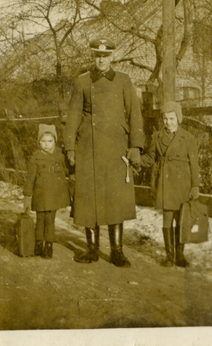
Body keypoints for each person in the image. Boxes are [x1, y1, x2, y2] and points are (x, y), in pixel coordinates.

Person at [64, 37, 144, 268]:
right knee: (90, 198)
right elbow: (73, 117)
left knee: (115, 199)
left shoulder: (123, 81)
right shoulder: (82, 82)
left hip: (116, 148)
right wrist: (70, 146)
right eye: (98, 56)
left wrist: (135, 146)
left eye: (106, 56)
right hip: (88, 148)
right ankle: (91, 249)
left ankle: (117, 251)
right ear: (93, 57)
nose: (101, 60)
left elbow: (135, 115)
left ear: (112, 57)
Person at [141, 101, 200, 267]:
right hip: (165, 182)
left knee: (182, 221)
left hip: (183, 184)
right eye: (165, 119)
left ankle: (180, 256)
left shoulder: (188, 138)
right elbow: (151, 157)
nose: (168, 122)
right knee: (167, 220)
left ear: (178, 118)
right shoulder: (157, 137)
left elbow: (194, 164)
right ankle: (169, 256)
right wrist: (137, 160)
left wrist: (195, 186)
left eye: (172, 118)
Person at [23, 124, 70, 258]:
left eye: (50, 141)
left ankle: (49, 246)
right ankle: (38, 244)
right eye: (43, 141)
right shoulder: (35, 157)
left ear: (55, 141)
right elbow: (30, 178)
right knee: (40, 220)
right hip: (40, 194)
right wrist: (27, 195)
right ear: (39, 142)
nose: (46, 144)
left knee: (50, 220)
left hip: (53, 195)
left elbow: (67, 172)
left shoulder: (60, 156)